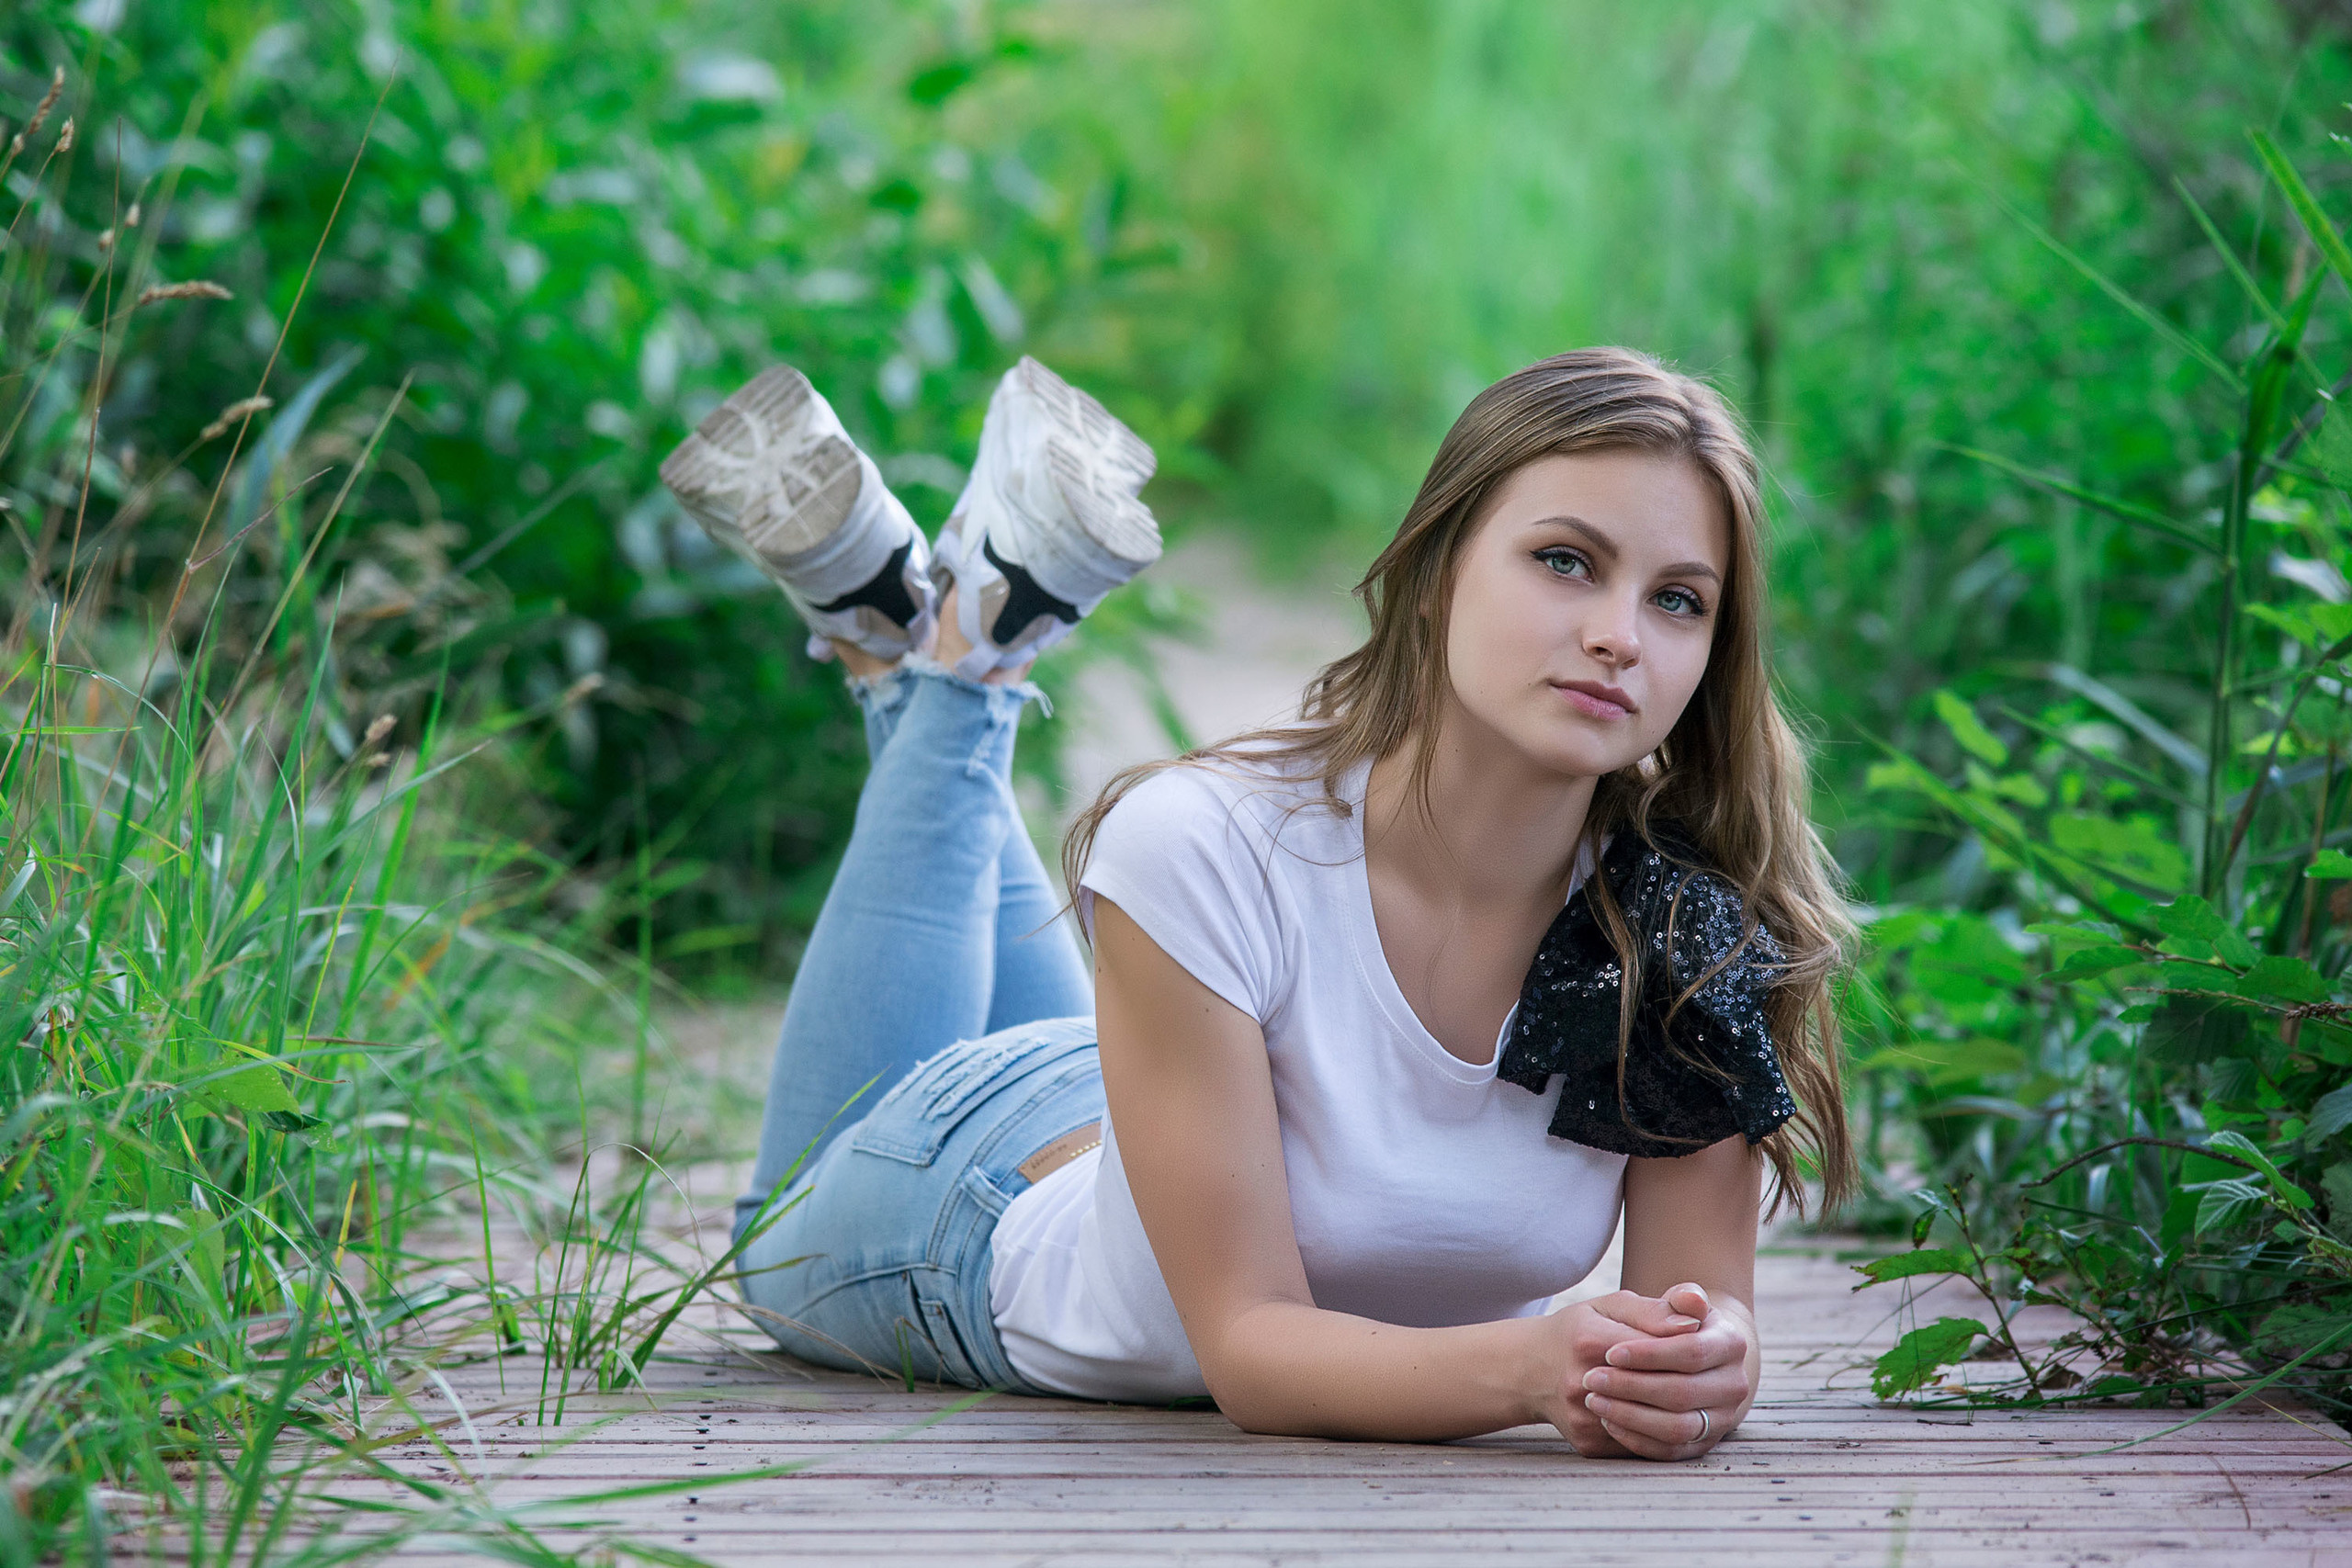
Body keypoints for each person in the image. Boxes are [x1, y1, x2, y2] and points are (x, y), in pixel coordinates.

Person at [665, 347, 1854, 1461]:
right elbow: (1246, 1351)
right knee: (777, 1232)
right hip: (955, 1217)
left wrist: (1706, 1366)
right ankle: (965, 665)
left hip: (1158, 1101)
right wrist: (1535, 1371)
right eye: (1565, 562)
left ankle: (899, 621)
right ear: (1438, 573)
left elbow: (1703, 1316)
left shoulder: (1689, 939)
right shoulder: (1209, 843)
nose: (1616, 637)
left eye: (1679, 601)